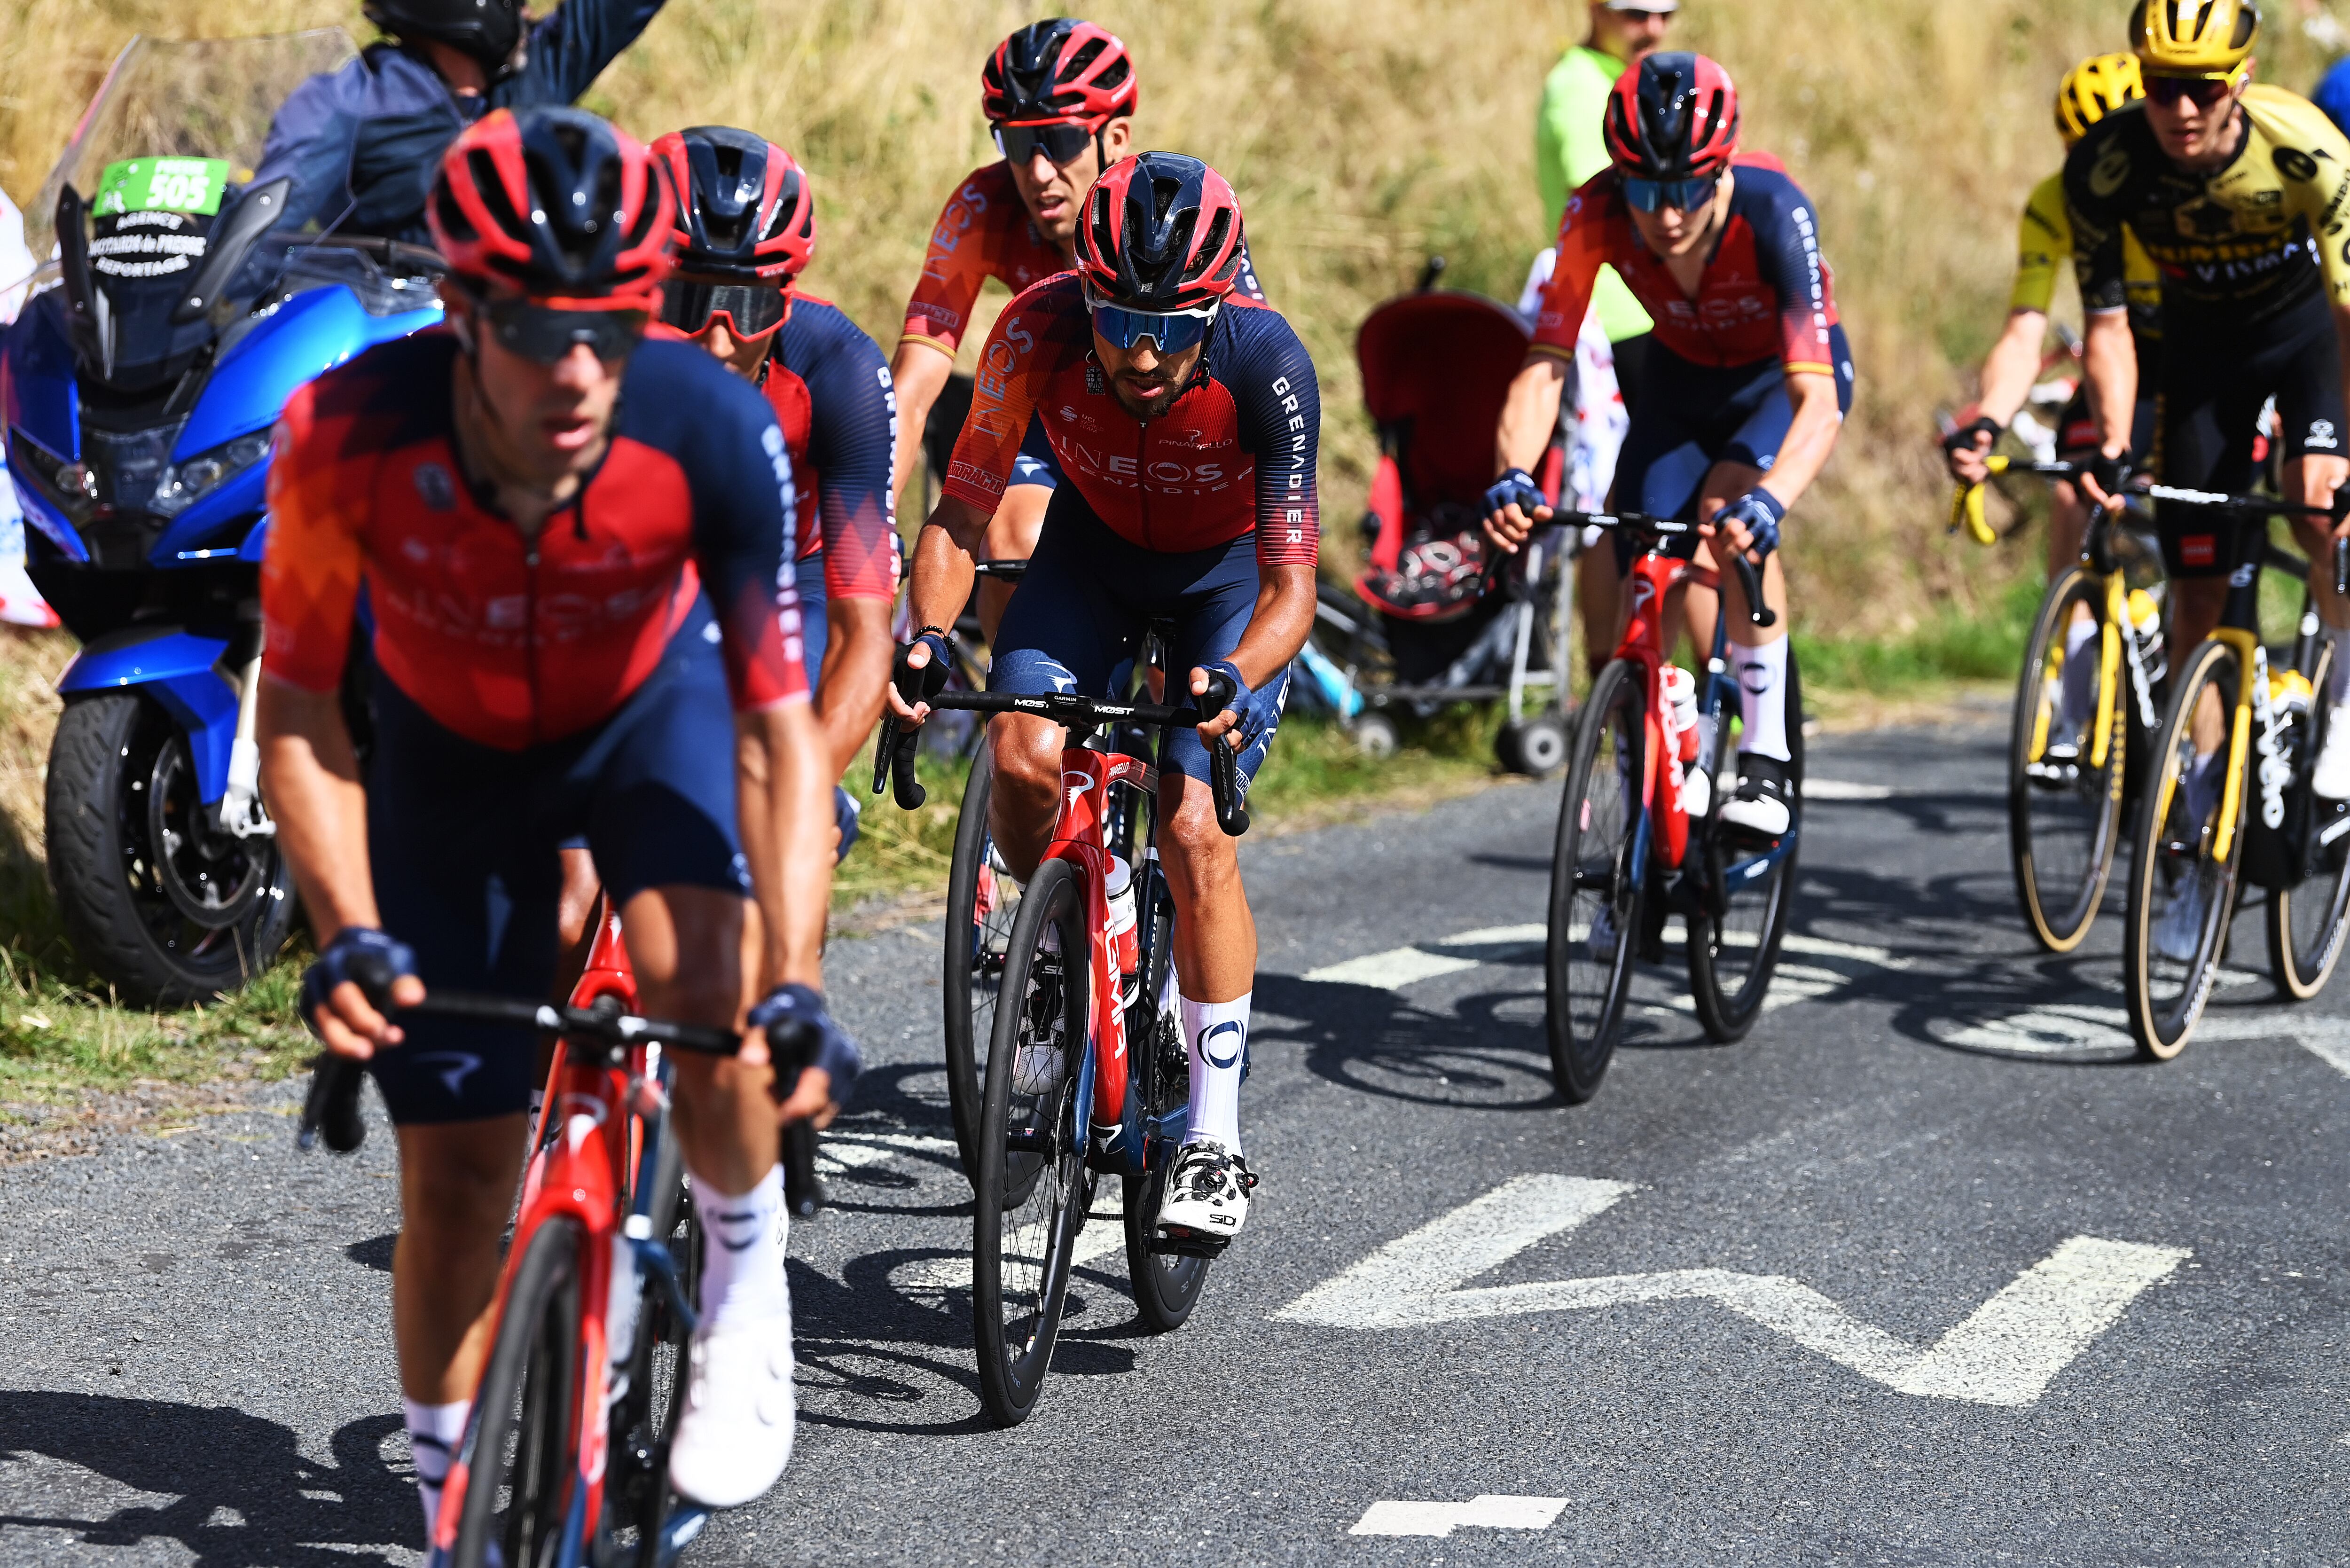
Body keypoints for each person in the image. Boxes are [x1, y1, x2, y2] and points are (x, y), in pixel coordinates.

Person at [256, 108, 850, 1536]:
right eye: (534, 328)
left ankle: (739, 1266)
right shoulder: (344, 435)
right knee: (454, 1172)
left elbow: (778, 737)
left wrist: (798, 984)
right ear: (461, 307)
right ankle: (448, 1465)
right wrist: (345, 935)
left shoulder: (707, 424)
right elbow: (297, 718)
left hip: (652, 718)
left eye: (611, 324)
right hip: (447, 761)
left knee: (704, 991)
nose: (578, 370)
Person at [886, 153, 1318, 1245]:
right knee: (1024, 759)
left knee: (1188, 825)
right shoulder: (1034, 328)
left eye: (1171, 328)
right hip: (1089, 557)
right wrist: (924, 637)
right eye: (1117, 315)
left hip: (1221, 582)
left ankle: (1213, 1139)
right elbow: (963, 512)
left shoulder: (1266, 362)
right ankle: (1051, 959)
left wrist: (1232, 677)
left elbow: (1291, 586)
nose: (1138, 351)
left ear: (1215, 308)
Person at [1487, 52, 1853, 847]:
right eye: (1646, 191)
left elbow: (1817, 401)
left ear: (1721, 173)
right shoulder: (1595, 213)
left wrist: (1773, 499)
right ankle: (1657, 729)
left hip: (1777, 381)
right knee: (1642, 542)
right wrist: (1513, 473)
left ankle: (1763, 751)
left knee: (1730, 509)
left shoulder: (1773, 208)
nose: (1667, 213)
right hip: (1683, 375)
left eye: (1688, 188)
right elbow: (1546, 363)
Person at [2065, 0, 2350, 954]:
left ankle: (2342, 708)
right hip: (2196, 362)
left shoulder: (2303, 148)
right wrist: (2111, 442)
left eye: (2200, 88)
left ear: (2239, 78)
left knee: (2319, 508)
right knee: (2193, 594)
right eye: (2159, 87)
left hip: (2307, 341)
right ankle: (2201, 838)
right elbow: (2106, 326)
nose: (2179, 110)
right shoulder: (2105, 166)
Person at [885, 19, 1266, 641]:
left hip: (1173, 424)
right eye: (1015, 142)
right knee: (1010, 536)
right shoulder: (984, 208)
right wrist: (874, 520)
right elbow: (916, 382)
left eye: (1059, 142)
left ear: (1114, 137)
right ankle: (1020, 711)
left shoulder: (1177, 218)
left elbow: (1250, 367)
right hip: (1059, 417)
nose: (1036, 173)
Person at [650, 126, 899, 863]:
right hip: (647, 566)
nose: (721, 340)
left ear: (787, 296)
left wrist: (803, 790)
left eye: (750, 308)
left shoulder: (837, 370)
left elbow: (863, 636)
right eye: (691, 300)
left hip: (793, 579)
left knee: (781, 827)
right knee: (567, 906)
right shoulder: (596, 347)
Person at [1943, 54, 2154, 767]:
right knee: (2073, 490)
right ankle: (2074, 673)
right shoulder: (2055, 201)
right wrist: (1985, 422)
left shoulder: (2183, 190)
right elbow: (2024, 330)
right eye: (2079, 149)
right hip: (2114, 359)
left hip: (2198, 356)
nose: (2098, 161)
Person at [249, 0, 672, 243]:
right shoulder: (350, 98)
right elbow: (266, 224)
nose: (525, 10)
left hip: (494, 338)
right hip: (373, 332)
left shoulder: (534, 79)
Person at [1536, 0, 1676, 414]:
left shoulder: (1630, 80)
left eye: (1666, 15)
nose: (1654, 29)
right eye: (1636, 15)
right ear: (1597, 10)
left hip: (1653, 310)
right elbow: (1604, 194)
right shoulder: (1580, 84)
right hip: (1617, 316)